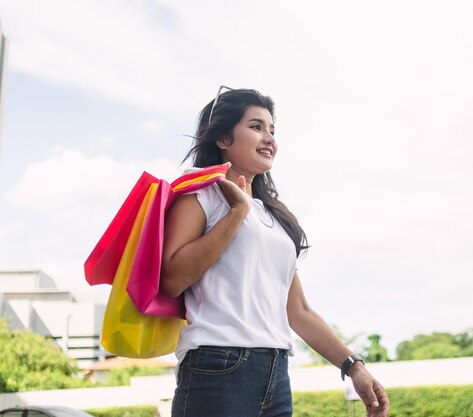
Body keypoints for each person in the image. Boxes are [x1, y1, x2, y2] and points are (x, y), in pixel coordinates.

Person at [161, 86, 390, 417]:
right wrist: (236, 214)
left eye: (272, 130)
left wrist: (354, 366)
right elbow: (172, 278)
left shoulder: (272, 217)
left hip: (276, 372)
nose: (269, 138)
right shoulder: (200, 193)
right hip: (218, 367)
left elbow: (298, 310)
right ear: (223, 138)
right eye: (256, 127)